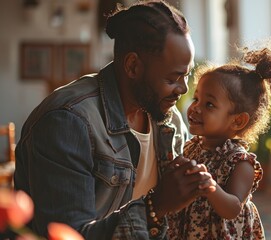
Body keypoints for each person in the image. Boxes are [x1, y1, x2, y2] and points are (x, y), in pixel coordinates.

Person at [13, 1, 214, 239]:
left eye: (187, 74)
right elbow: (69, 235)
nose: (183, 89)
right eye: (173, 78)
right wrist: (155, 207)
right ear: (132, 66)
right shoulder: (68, 121)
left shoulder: (167, 120)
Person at [166, 39, 271, 239]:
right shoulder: (193, 148)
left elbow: (233, 208)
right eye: (196, 99)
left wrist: (210, 187)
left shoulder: (240, 162)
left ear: (238, 121)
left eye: (209, 104)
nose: (196, 108)